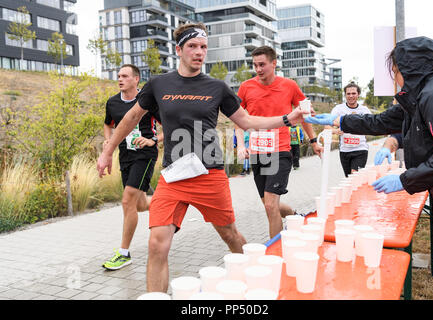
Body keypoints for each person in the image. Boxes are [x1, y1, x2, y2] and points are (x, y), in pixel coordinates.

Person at [96, 23, 307, 292]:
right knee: (156, 243)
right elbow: (131, 118)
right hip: (174, 177)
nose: (199, 52)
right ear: (179, 50)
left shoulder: (216, 87)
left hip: (209, 175)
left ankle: (261, 278)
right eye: (193, 47)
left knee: (229, 234)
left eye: (203, 47)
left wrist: (288, 119)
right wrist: (107, 151)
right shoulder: (159, 84)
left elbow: (246, 120)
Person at [305, 36, 433, 284]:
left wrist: (405, 179)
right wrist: (338, 120)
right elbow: (379, 122)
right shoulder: (417, 97)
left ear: (411, 68)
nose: (395, 77)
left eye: (395, 70)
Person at [235, 46, 323, 239]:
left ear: (274, 63)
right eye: (255, 65)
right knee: (268, 203)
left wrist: (314, 141)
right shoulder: (246, 87)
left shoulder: (289, 86)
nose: (258, 69)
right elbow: (238, 120)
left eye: (262, 65)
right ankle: (294, 217)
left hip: (281, 151)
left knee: (270, 205)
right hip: (258, 152)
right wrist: (241, 145)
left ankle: (275, 252)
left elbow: (304, 114)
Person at [101, 64, 162, 270]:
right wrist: (108, 142)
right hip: (125, 156)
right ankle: (169, 203)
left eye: (125, 76)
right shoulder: (112, 102)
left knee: (127, 200)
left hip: (145, 156)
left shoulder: (147, 101)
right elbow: (108, 124)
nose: (120, 79)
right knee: (139, 205)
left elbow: (171, 126)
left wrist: (153, 140)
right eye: (118, 76)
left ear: (136, 79)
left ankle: (124, 253)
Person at [326, 82, 372, 177]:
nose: (351, 96)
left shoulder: (364, 110)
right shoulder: (338, 109)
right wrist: (336, 131)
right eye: (348, 94)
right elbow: (327, 126)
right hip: (345, 150)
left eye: (353, 93)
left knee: (354, 177)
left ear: (358, 94)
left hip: (360, 149)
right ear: (345, 95)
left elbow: (372, 126)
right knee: (348, 179)